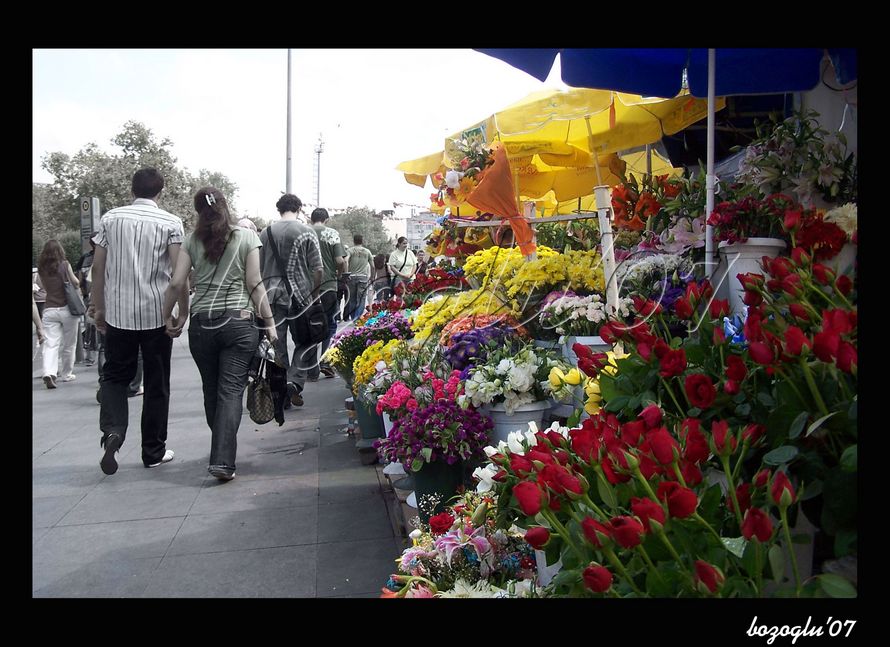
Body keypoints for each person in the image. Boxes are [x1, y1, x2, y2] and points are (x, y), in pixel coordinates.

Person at [163, 187, 277, 482]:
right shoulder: (247, 237)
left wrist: (171, 315)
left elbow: (177, 283)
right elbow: (254, 282)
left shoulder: (191, 240)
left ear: (198, 211)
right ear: (226, 206)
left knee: (211, 390)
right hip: (239, 324)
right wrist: (269, 320)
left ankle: (221, 451)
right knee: (230, 392)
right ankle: (222, 459)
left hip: (202, 325)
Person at [90, 168, 183, 475]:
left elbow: (98, 268)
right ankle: (153, 451)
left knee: (115, 376)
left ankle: (114, 432)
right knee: (157, 382)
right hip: (156, 314)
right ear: (161, 191)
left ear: (132, 189)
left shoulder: (110, 219)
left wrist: (98, 308)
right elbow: (177, 273)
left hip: (118, 313)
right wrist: (181, 311)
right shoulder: (171, 223)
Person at [258, 193, 323, 409]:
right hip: (300, 296)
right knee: (307, 341)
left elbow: (256, 268)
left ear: (279, 209)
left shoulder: (265, 233)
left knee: (276, 344)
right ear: (299, 208)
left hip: (270, 296)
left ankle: (279, 390)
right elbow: (318, 268)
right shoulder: (307, 232)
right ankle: (294, 381)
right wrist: (315, 295)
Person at [37, 239, 81, 389]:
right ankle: (66, 374)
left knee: (50, 344)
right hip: (67, 309)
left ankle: (48, 372)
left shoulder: (41, 268)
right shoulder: (65, 264)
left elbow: (42, 286)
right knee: (69, 343)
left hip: (49, 309)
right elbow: (75, 282)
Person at [309, 207, 345, 379]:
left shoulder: (304, 232)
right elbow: (339, 260)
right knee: (329, 324)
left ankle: (310, 368)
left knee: (309, 326)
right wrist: (341, 275)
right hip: (328, 286)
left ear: (311, 219)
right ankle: (325, 362)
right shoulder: (331, 233)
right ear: (327, 219)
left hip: (306, 288)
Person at [75, 235, 98, 366]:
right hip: (92, 296)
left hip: (90, 296)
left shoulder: (85, 258)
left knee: (92, 326)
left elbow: (80, 279)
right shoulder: (107, 255)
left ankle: (92, 354)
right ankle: (94, 353)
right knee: (93, 326)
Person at [345, 234, 372, 320]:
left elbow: (345, 260)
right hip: (363, 277)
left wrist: (346, 273)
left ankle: (353, 318)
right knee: (361, 299)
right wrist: (372, 277)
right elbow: (373, 265)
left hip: (352, 277)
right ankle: (358, 318)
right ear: (362, 241)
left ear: (354, 241)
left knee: (352, 299)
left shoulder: (350, 250)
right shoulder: (367, 251)